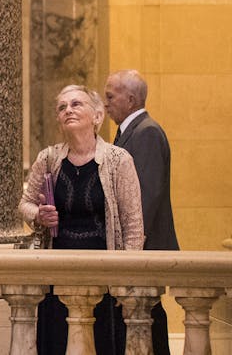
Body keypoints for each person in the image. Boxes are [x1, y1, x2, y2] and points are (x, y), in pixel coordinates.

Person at [20, 84, 144, 355]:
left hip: (105, 274)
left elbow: (133, 225)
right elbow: (25, 205)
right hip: (57, 272)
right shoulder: (48, 158)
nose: (68, 110)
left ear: (97, 116)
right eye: (62, 107)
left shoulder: (118, 160)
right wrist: (38, 215)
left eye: (76, 104)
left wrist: (129, 281)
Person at [105, 68, 177, 355]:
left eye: (110, 96)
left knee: (150, 318)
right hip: (139, 248)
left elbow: (147, 195)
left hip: (145, 248)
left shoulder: (146, 133)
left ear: (131, 99)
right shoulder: (131, 132)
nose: (106, 102)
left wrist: (132, 246)